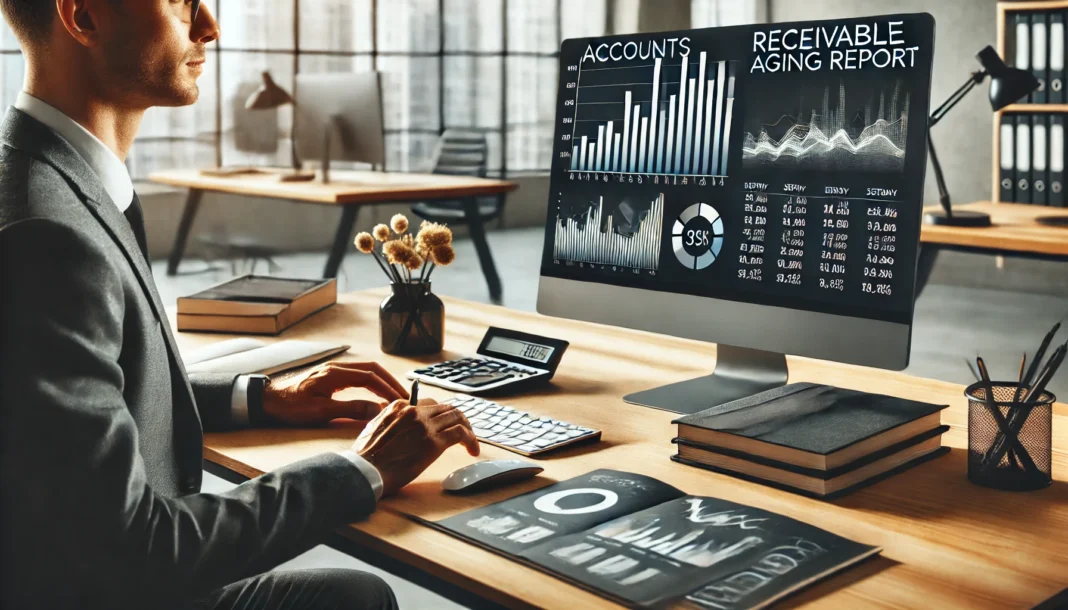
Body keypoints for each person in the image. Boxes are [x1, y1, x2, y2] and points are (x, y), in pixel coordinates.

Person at [0, 1, 479, 609]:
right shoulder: (48, 236)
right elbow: (130, 550)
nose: (209, 26)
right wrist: (363, 469)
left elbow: (69, 412)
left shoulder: (50, 180)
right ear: (83, 16)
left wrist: (263, 397)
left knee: (354, 593)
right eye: (181, 3)